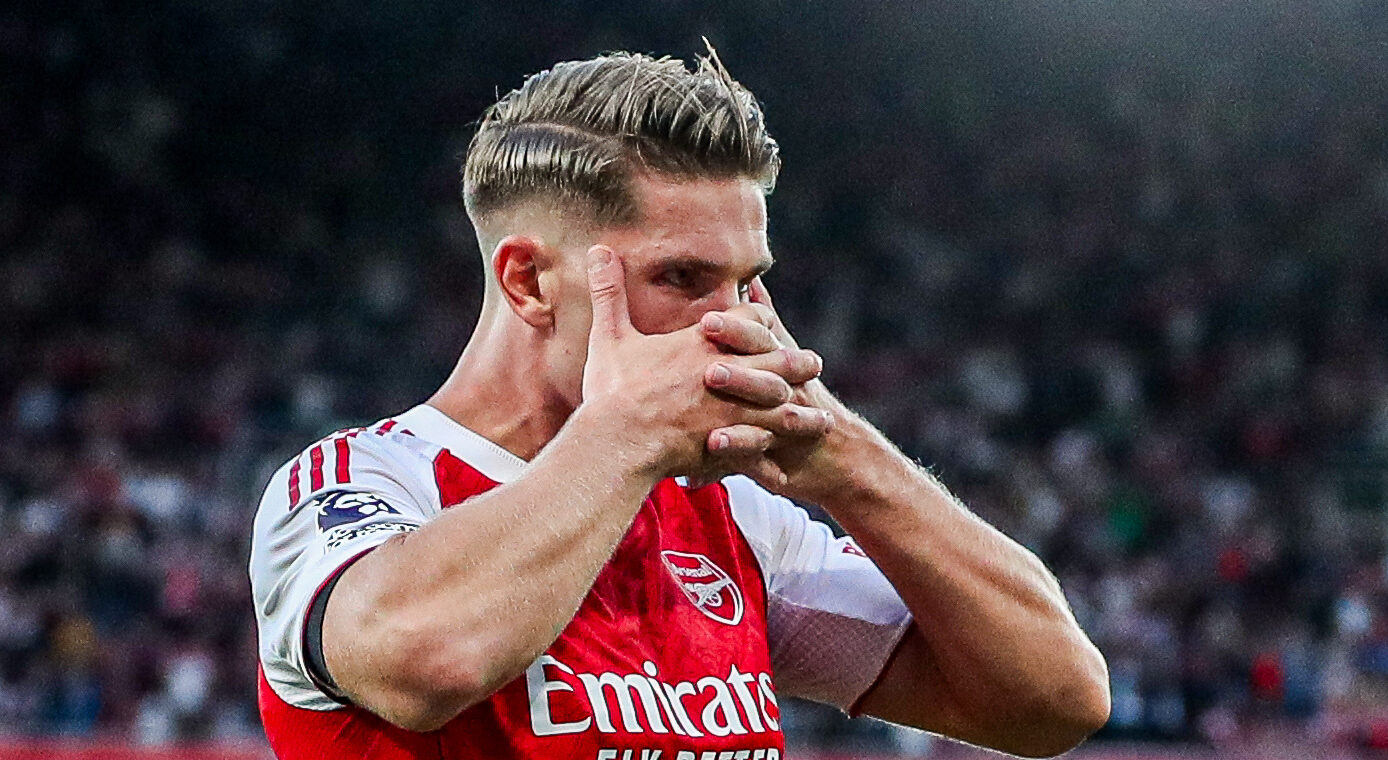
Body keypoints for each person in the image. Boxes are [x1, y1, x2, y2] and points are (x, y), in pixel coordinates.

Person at [249, 48, 1110, 760]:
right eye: (682, 279)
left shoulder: (731, 513)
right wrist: (624, 433)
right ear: (530, 280)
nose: (733, 322)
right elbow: (423, 660)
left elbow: (1050, 701)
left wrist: (844, 457)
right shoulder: (363, 481)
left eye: (748, 281)